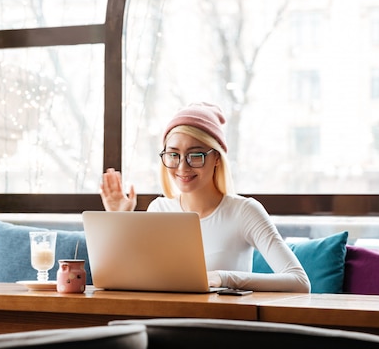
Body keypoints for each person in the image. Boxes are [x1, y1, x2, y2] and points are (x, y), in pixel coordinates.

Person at [99, 102, 311, 293]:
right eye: (173, 155)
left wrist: (225, 278)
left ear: (216, 157)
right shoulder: (160, 210)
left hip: (222, 325)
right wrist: (120, 219)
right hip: (166, 323)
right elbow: (133, 280)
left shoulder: (244, 211)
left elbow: (299, 282)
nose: (182, 167)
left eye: (195, 155)